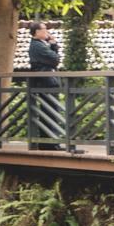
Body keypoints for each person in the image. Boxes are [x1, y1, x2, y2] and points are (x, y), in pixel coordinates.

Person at [26, 22, 65, 150]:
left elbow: (54, 59)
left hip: (46, 80)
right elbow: (55, 59)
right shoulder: (37, 46)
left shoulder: (41, 44)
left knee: (49, 110)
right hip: (46, 81)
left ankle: (49, 142)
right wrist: (53, 45)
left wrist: (53, 46)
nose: (47, 31)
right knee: (50, 110)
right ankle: (50, 143)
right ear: (37, 32)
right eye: (44, 29)